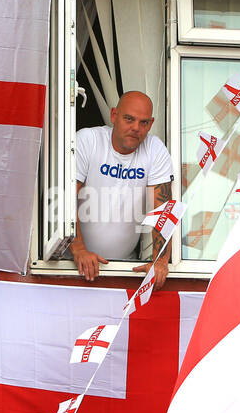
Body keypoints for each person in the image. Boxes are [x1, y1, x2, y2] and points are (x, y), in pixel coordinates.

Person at [71, 91, 174, 288]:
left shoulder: (154, 148)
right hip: (71, 265)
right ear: (113, 116)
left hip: (125, 267)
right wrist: (78, 249)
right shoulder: (88, 140)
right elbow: (68, 197)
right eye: (129, 119)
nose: (136, 128)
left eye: (143, 123)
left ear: (151, 124)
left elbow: (162, 209)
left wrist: (160, 260)